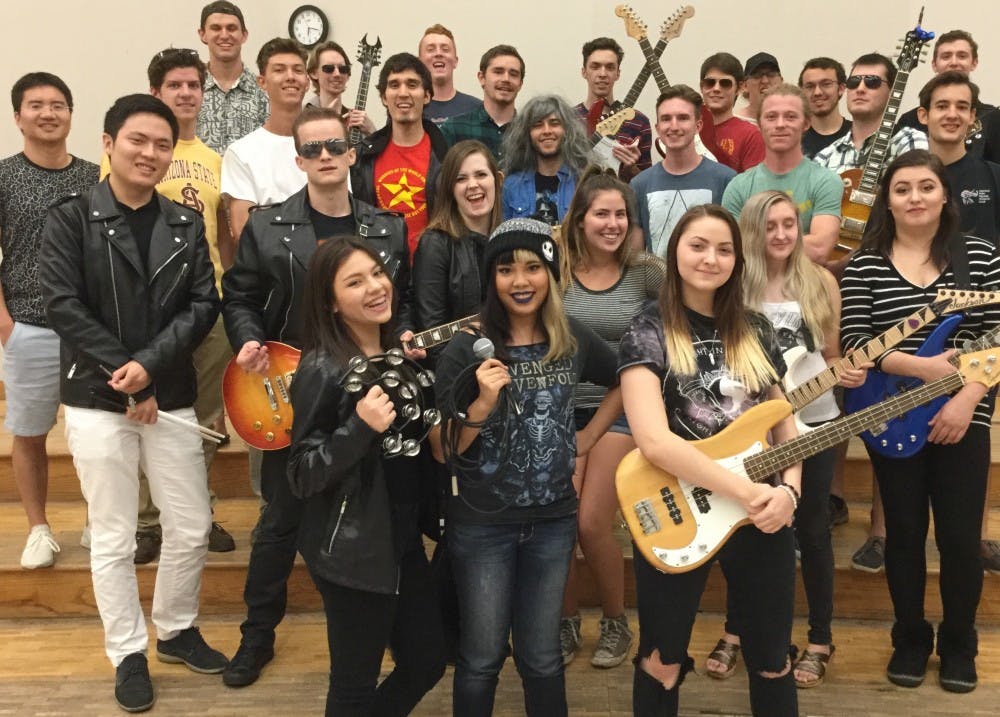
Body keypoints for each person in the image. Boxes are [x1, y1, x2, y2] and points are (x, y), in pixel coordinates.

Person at [39, 93, 224, 713]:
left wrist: (150, 368)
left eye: (162, 144)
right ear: (109, 143)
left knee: (192, 525)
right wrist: (129, 376)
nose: (150, 153)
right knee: (115, 536)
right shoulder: (69, 219)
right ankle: (127, 652)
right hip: (96, 398)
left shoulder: (184, 221)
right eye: (138, 141)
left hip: (167, 393)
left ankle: (173, 629)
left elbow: (203, 305)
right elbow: (63, 305)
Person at [220, 106, 412, 689]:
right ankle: (257, 637)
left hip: (370, 397)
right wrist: (250, 340)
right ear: (298, 159)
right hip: (293, 396)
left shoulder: (389, 227)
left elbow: (398, 306)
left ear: (352, 152)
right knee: (279, 522)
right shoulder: (265, 226)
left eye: (336, 145)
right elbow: (239, 297)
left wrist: (404, 333)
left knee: (381, 512)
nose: (327, 156)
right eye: (314, 149)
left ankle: (407, 637)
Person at [434, 218, 621, 715]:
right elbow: (440, 448)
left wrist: (590, 435)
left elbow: (627, 376)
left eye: (534, 267)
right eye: (506, 269)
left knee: (541, 657)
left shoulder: (573, 338)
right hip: (481, 525)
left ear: (552, 273)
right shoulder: (466, 348)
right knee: (481, 657)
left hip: (553, 520)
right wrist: (480, 404)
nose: (521, 281)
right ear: (490, 279)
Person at [618, 204, 800, 716]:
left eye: (724, 249)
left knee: (771, 658)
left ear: (738, 261)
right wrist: (747, 490)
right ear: (675, 250)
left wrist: (790, 492)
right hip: (678, 506)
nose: (711, 258)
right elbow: (654, 442)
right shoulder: (647, 328)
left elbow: (783, 421)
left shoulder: (756, 328)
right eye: (698, 245)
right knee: (663, 659)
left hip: (762, 512)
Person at [841, 149, 1000, 693]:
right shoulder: (864, 263)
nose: (915, 197)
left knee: (960, 540)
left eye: (926, 187)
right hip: (892, 417)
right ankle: (910, 637)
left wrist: (966, 398)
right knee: (904, 536)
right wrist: (923, 367)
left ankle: (959, 643)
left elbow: (997, 338)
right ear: (887, 199)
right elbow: (855, 343)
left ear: (945, 196)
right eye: (902, 188)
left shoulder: (979, 257)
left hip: (963, 414)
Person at [706, 191, 868, 688]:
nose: (780, 235)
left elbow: (832, 354)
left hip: (814, 423)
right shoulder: (735, 287)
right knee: (748, 530)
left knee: (813, 532)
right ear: (752, 232)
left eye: (788, 224)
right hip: (749, 428)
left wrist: (848, 373)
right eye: (769, 226)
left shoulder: (820, 280)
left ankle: (820, 638)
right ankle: (738, 631)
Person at [287, 236, 445, 716]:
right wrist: (359, 428)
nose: (376, 287)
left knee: (427, 661)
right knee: (354, 683)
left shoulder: (400, 358)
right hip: (352, 551)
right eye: (355, 282)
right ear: (332, 303)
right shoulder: (320, 368)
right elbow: (300, 474)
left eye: (378, 273)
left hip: (400, 537)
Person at [97, 48, 237, 562]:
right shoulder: (126, 152)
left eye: (193, 85)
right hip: (144, 310)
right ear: (156, 92)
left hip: (205, 305)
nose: (185, 93)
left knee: (201, 422)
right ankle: (147, 522)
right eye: (174, 85)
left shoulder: (215, 160)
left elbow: (223, 237)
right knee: (144, 416)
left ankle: (199, 508)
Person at [814, 52, 929, 573]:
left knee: (891, 403)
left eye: (871, 81)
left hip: (891, 277)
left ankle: (882, 532)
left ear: (892, 89)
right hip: (841, 278)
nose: (860, 88)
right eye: (854, 81)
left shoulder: (909, 143)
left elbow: (916, 200)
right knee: (836, 385)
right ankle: (832, 496)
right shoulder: (831, 154)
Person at [556, 168, 663, 669]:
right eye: (601, 213)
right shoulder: (555, 270)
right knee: (557, 521)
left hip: (623, 408)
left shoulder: (646, 271)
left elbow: (668, 340)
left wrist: (592, 432)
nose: (613, 223)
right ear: (579, 221)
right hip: (557, 409)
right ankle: (565, 620)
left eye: (621, 214)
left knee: (591, 520)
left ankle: (617, 621)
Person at [1, 72, 98, 569]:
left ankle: (94, 521)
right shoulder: (3, 176)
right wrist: (5, 323)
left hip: (86, 327)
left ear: (70, 115)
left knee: (94, 430)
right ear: (18, 116)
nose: (48, 112)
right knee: (31, 431)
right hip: (29, 325)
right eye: (36, 105)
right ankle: (39, 528)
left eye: (58, 104)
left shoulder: (93, 176)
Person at [722, 84, 843, 263]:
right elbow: (730, 250)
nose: (780, 125)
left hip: (806, 288)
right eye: (771, 117)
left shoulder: (826, 181)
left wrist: (752, 242)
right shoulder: (738, 186)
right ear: (759, 124)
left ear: (806, 124)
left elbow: (819, 250)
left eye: (790, 117)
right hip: (751, 288)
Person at [350, 52, 449, 258]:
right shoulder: (362, 157)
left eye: (412, 84)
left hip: (434, 269)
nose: (403, 93)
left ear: (428, 95)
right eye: (394, 85)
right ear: (384, 98)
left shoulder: (447, 157)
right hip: (378, 269)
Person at [221, 37, 309, 242]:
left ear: (307, 82)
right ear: (262, 82)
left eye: (297, 70)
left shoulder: (329, 146)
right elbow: (243, 232)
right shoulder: (241, 153)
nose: (290, 77)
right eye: (279, 70)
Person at [630, 85, 735, 257]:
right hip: (658, 283)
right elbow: (636, 257)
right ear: (657, 128)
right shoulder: (640, 185)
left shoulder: (726, 179)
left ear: (698, 125)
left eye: (683, 118)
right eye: (666, 119)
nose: (674, 126)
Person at [412, 140, 503, 335]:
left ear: (497, 180)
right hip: (460, 361)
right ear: (450, 190)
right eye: (461, 179)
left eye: (481, 175)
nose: (473, 185)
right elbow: (432, 329)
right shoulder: (434, 244)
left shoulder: (509, 239)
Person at [919, 71, 1000, 244]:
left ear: (972, 116)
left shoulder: (995, 176)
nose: (952, 114)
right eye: (942, 106)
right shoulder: (903, 179)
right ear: (923, 115)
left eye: (962, 107)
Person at [896, 30, 995, 158]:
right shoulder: (909, 120)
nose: (954, 62)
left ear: (974, 63)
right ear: (934, 65)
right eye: (946, 56)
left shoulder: (993, 118)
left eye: (962, 56)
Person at [500, 94, 592, 224]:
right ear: (527, 134)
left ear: (567, 130)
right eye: (538, 125)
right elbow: (503, 238)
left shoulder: (584, 182)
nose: (547, 131)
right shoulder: (511, 186)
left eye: (554, 123)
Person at [573, 37, 652, 182]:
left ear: (618, 73)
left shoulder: (639, 121)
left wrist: (631, 168)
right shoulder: (568, 118)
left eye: (610, 67)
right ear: (584, 72)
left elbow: (648, 182)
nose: (603, 74)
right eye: (595, 66)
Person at [196, 1, 268, 155]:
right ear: (202, 34)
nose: (224, 35)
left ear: (244, 35)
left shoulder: (265, 91)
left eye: (231, 28)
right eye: (216, 28)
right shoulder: (190, 91)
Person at [439, 45, 524, 163]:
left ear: (520, 83)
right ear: (482, 78)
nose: (506, 79)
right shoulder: (453, 129)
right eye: (498, 72)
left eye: (513, 74)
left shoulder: (529, 133)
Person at [698, 53, 765, 173]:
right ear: (702, 87)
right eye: (710, 83)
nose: (716, 89)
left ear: (740, 88)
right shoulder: (687, 130)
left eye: (725, 83)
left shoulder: (751, 135)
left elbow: (754, 186)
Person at [303, 40, 375, 136]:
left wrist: (372, 130)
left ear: (348, 75)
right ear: (314, 73)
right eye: (328, 68)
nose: (337, 74)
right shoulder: (302, 115)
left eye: (342, 69)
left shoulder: (356, 121)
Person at [419, 23, 482, 125]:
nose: (438, 53)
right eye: (431, 49)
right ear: (419, 63)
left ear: (455, 61)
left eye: (445, 49)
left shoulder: (477, 109)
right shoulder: (410, 108)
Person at [798, 57, 852, 158]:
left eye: (826, 84)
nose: (817, 92)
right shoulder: (793, 139)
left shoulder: (857, 136)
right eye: (810, 86)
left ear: (841, 89)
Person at [737, 52, 783, 124]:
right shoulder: (736, 123)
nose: (765, 81)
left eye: (771, 74)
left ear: (781, 81)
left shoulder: (791, 122)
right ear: (745, 85)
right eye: (757, 75)